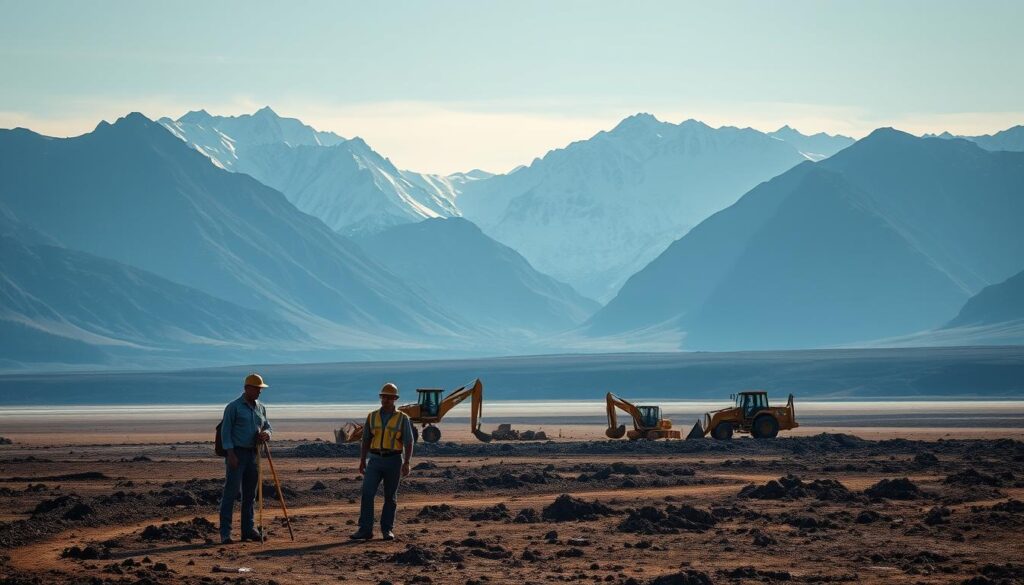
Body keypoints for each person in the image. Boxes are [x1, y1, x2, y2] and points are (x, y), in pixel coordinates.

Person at [351, 382, 414, 541]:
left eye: (388, 397)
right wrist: (362, 460)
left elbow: (409, 442)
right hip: (375, 460)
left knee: (390, 497)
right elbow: (365, 440)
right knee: (367, 493)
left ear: (395, 399)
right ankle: (365, 529)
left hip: (394, 461)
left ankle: (387, 530)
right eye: (383, 396)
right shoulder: (372, 416)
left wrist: (406, 462)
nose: (385, 399)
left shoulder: (402, 418)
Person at [218, 373, 273, 544]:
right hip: (237, 454)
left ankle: (248, 530)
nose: (259, 392)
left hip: (254, 454)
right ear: (247, 388)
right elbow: (225, 432)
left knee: (250, 494)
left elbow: (268, 426)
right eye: (257, 389)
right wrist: (231, 454)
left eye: (260, 389)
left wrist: (267, 434)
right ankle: (225, 533)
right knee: (231, 493)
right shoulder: (233, 407)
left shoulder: (261, 408)